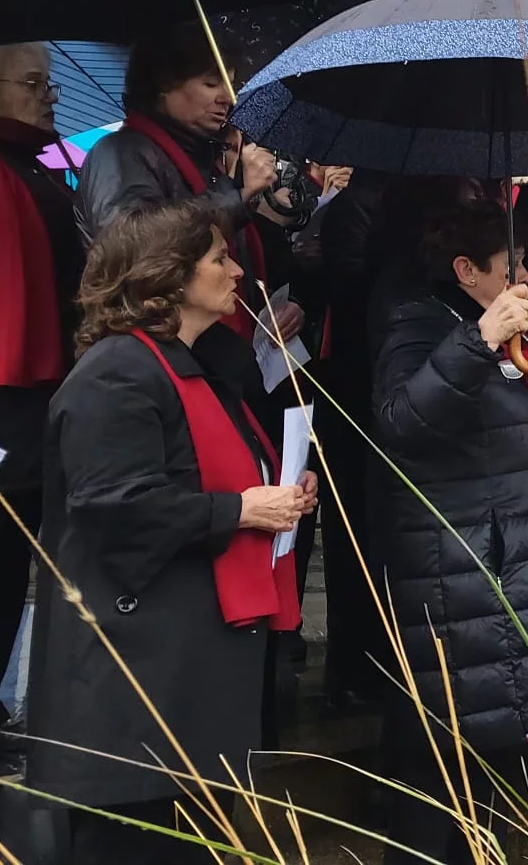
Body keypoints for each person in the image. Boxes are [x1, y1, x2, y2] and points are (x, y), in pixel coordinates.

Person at [29, 200, 317, 863]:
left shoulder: (191, 365)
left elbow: (220, 474)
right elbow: (115, 508)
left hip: (183, 675)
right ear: (168, 275)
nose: (237, 271)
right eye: (219, 258)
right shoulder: (116, 372)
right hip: (135, 689)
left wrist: (278, 490)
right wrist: (240, 511)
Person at [371, 200, 528, 864]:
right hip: (471, 570)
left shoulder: (512, 336)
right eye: (511, 266)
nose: (525, 278)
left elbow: (504, 427)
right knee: (451, 765)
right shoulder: (421, 326)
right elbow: (403, 421)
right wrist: (477, 340)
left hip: (517, 564)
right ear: (465, 270)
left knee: (500, 757)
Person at [0, 40, 86, 771]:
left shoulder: (31, 167)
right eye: (33, 82)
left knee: (5, 566)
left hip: (29, 401)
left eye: (49, 83)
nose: (48, 96)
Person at [77, 23, 302, 347]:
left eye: (231, 84)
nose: (228, 98)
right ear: (164, 85)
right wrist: (238, 197)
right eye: (211, 83)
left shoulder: (202, 156)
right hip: (162, 342)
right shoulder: (120, 153)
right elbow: (130, 238)